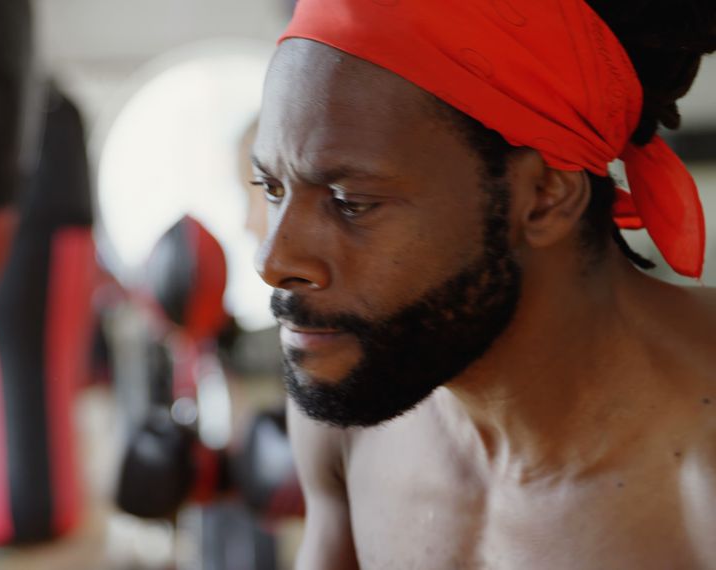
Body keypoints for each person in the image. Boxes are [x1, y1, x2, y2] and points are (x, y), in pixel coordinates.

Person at [250, 0, 716, 568]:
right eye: (271, 188)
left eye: (352, 204)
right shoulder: (353, 408)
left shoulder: (700, 480)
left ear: (545, 194)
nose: (272, 261)